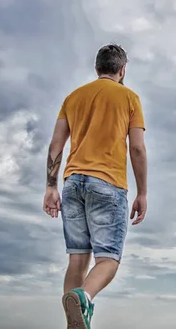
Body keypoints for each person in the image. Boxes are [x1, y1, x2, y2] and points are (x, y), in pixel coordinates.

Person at [42, 43, 148, 329]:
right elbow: (137, 149)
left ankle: (73, 323)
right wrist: (143, 192)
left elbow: (56, 145)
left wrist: (51, 186)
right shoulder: (130, 97)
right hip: (108, 183)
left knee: (77, 260)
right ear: (123, 69)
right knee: (108, 260)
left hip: (72, 183)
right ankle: (84, 297)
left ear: (96, 67)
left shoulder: (73, 97)